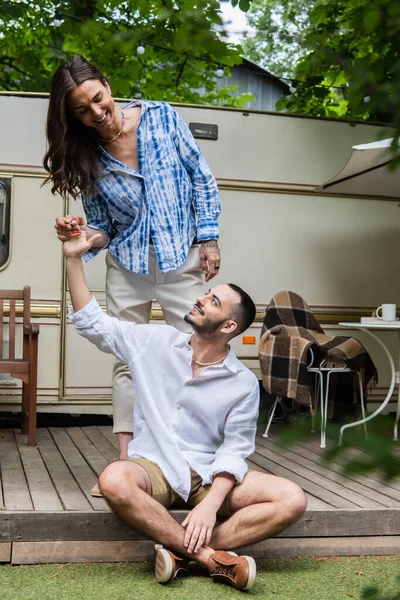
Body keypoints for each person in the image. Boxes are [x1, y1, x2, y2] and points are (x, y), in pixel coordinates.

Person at [64, 228, 307, 591]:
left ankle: (183, 552)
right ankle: (210, 559)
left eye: (212, 302)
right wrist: (72, 259)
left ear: (228, 326)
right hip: (154, 465)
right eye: (206, 294)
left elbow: (235, 450)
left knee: (293, 498)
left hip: (207, 474)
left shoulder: (241, 383)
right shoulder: (154, 341)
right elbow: (93, 323)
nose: (200, 299)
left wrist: (210, 507)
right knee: (114, 479)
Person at [44, 54, 221, 461]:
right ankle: (127, 461)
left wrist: (209, 238)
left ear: (106, 83)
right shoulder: (85, 155)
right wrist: (83, 235)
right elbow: (105, 227)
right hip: (128, 265)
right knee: (128, 358)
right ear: (73, 116)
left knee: (195, 351)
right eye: (82, 110)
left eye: (98, 98)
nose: (96, 112)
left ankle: (193, 452)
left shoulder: (161, 117)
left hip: (182, 259)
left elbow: (200, 176)